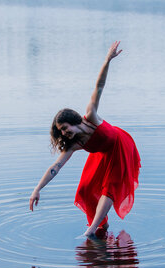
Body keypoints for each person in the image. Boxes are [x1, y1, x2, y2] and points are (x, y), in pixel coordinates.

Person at [29, 41, 141, 239]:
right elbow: (56, 167)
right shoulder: (75, 143)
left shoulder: (91, 117)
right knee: (86, 190)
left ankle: (90, 232)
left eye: (64, 129)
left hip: (120, 145)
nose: (64, 134)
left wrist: (107, 61)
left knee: (110, 188)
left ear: (74, 121)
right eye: (61, 132)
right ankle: (101, 227)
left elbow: (99, 87)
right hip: (103, 154)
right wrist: (37, 189)